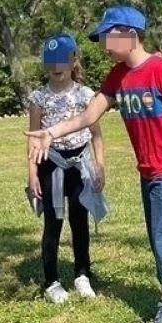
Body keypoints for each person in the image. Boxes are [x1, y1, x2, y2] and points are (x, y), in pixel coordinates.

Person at [26, 5, 162, 323]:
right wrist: (52, 133)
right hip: (148, 168)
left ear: (129, 34)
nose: (103, 46)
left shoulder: (158, 69)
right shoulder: (117, 77)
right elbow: (88, 116)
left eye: (108, 37)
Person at [25, 33, 108, 304]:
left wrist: (100, 165)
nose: (56, 68)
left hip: (79, 166)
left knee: (79, 219)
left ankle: (82, 274)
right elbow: (35, 138)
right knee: (54, 222)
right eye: (51, 62)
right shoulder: (39, 98)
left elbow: (95, 133)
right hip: (53, 166)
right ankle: (51, 281)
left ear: (74, 61)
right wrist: (32, 173)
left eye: (62, 61)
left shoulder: (85, 95)